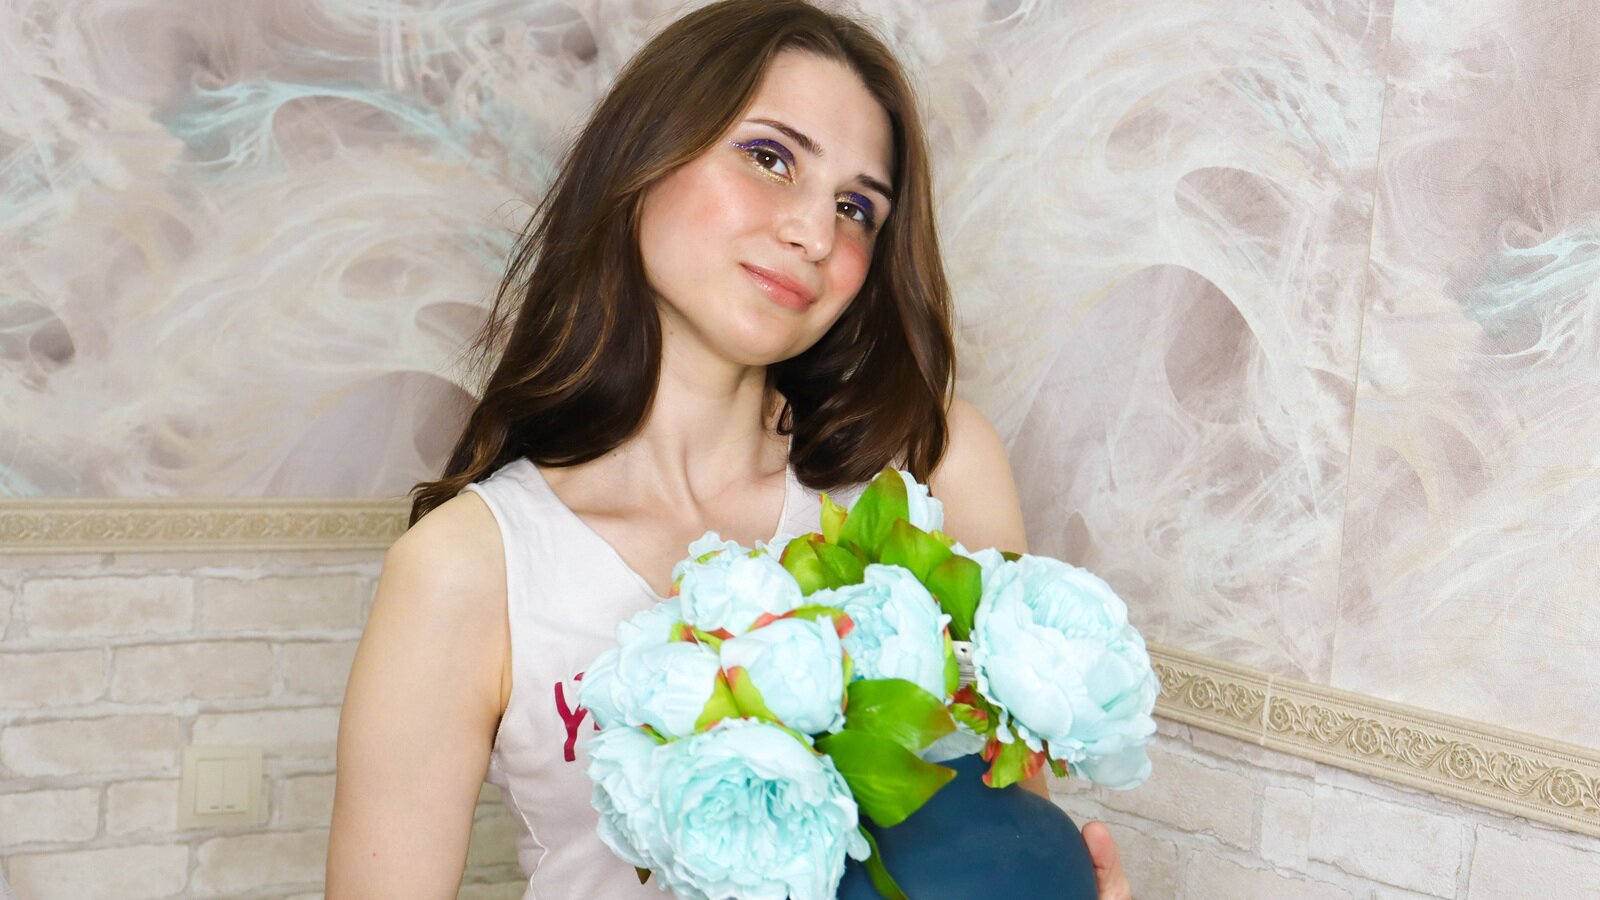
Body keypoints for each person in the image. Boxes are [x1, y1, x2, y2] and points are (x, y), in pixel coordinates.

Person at [327, 2, 1134, 898]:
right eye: (770, 158)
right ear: (643, 157)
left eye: (857, 208)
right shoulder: (469, 566)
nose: (815, 235)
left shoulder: (934, 470)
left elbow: (1009, 840)